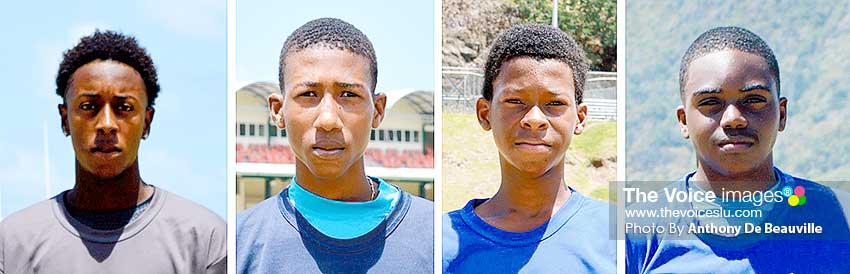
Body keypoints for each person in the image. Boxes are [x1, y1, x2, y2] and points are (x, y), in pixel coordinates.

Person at [625, 26, 850, 273]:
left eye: (753, 99)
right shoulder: (635, 233)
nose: (733, 118)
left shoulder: (839, 217)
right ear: (683, 121)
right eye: (710, 103)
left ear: (782, 114)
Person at [0, 30, 226, 274]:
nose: (106, 123)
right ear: (65, 119)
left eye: (124, 108)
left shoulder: (205, 240)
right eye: (88, 106)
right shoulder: (13, 243)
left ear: (147, 122)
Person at [235, 17, 434, 273]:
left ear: (378, 110)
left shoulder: (432, 234)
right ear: (278, 111)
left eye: (349, 95)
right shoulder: (241, 243)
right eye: (308, 95)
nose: (328, 119)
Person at [441, 23, 616, 274]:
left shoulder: (619, 235)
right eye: (515, 101)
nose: (534, 118)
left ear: (580, 118)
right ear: (484, 114)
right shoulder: (442, 243)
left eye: (554, 103)